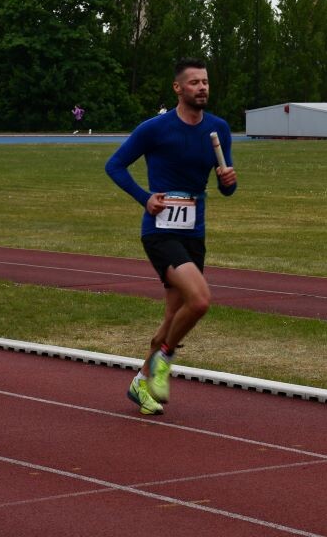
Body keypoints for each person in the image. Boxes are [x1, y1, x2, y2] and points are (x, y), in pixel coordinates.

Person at [105, 58, 237, 415]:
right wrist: (144, 197)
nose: (202, 88)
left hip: (194, 231)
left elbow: (228, 186)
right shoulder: (154, 129)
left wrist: (229, 182)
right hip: (161, 232)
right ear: (178, 89)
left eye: (205, 82)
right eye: (194, 83)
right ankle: (165, 358)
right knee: (200, 301)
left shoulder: (218, 129)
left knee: (171, 318)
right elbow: (114, 165)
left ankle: (140, 381)